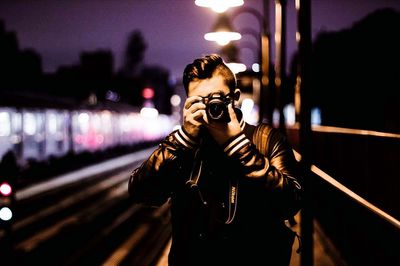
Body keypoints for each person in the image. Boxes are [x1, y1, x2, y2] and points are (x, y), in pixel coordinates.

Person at [129, 54, 302, 266]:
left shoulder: (266, 140)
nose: (212, 108)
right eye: (199, 102)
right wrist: (184, 139)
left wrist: (237, 145)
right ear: (188, 103)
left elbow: (290, 202)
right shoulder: (182, 146)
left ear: (235, 97)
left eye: (217, 98)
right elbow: (141, 192)